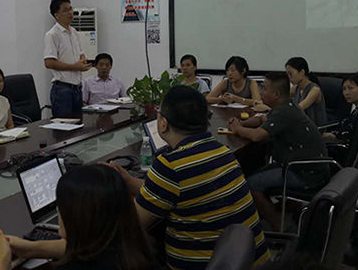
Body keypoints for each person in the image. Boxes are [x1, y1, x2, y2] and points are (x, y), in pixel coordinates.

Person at [114, 86, 270, 269]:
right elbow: (175, 191)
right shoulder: (222, 151)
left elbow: (132, 223)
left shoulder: (170, 165)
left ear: (163, 124)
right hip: (251, 262)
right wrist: (129, 181)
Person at [0, 164, 156, 270]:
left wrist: (3, 262)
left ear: (79, 218)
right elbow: (91, 247)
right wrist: (31, 249)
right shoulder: (134, 250)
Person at [229, 73, 329, 231]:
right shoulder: (286, 107)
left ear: (276, 94)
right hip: (304, 165)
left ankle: (279, 228)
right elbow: (262, 119)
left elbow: (256, 136)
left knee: (251, 183)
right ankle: (267, 212)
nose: (261, 92)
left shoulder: (284, 113)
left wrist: (237, 128)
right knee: (254, 171)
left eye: (264, 89)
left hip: (304, 172)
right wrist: (243, 123)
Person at [44, 0, 91, 117]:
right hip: (62, 90)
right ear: (57, 15)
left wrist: (83, 61)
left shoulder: (74, 32)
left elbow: (80, 53)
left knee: (79, 125)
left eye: (71, 8)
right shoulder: (52, 34)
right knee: (64, 126)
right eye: (66, 10)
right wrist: (75, 67)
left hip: (77, 89)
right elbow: (49, 62)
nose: (70, 12)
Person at [322, 72, 358, 144]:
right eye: (344, 89)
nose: (346, 93)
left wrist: (334, 137)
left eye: (351, 88)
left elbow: (350, 138)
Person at [285, 57, 327, 126]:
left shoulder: (314, 90)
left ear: (302, 72)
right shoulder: (295, 88)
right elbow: (282, 101)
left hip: (314, 129)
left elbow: (299, 109)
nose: (289, 77)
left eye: (290, 73)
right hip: (300, 126)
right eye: (287, 74)